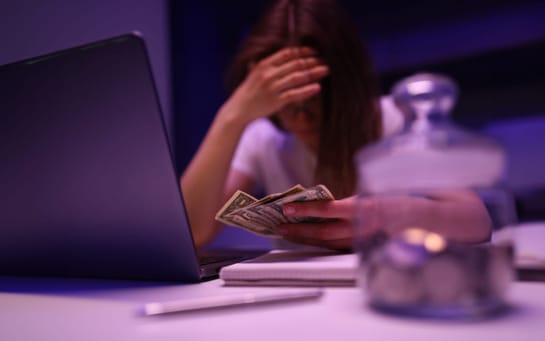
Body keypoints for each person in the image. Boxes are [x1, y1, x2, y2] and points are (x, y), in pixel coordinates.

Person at [181, 0, 492, 250]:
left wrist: (390, 215)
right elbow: (192, 232)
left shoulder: (393, 120)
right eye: (288, 104)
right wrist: (231, 117)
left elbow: (477, 221)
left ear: (345, 87)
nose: (302, 119)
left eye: (316, 99)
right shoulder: (264, 138)